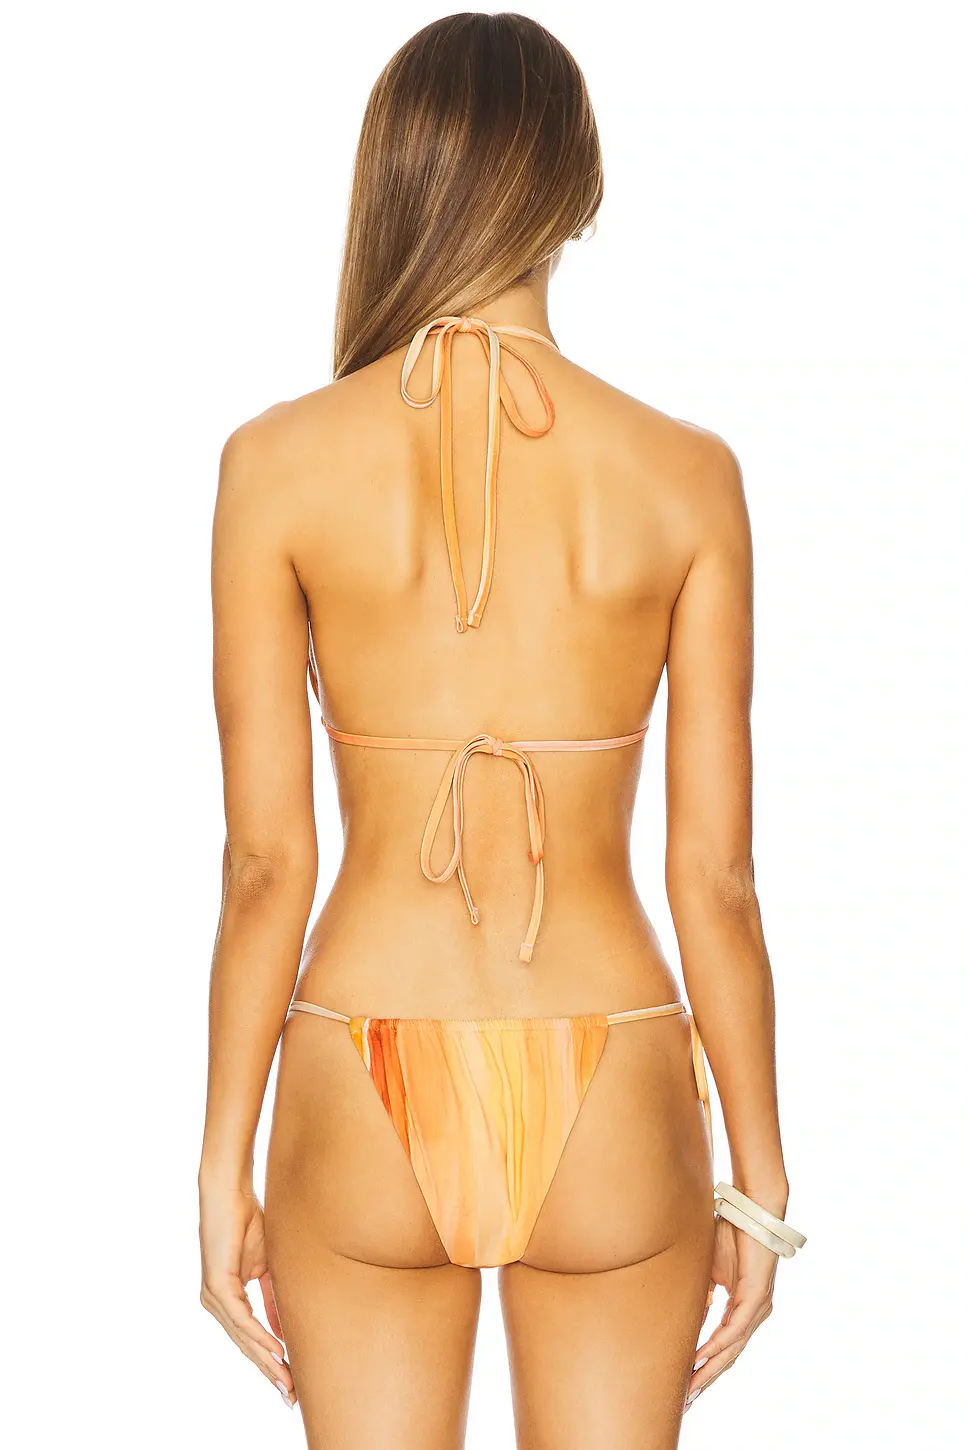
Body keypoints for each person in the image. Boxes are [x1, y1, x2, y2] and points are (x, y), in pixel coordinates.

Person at [198, 12, 804, 1447]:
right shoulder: (687, 476)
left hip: (357, 1061)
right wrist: (760, 1182)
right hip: (616, 1074)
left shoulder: (273, 465)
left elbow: (264, 866)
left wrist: (222, 1163)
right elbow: (716, 879)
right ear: (578, 189)